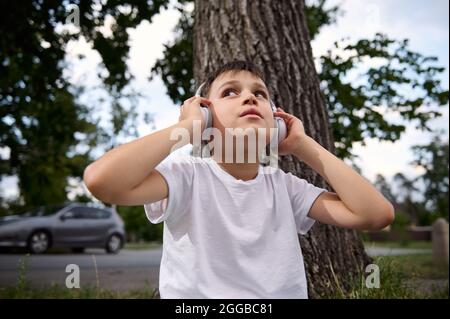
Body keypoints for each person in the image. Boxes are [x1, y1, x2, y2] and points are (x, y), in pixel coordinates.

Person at [83, 60, 394, 299]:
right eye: (230, 92)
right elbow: (102, 181)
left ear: (277, 125)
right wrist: (188, 128)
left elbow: (375, 214)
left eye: (259, 93)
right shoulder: (186, 176)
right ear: (205, 117)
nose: (249, 97)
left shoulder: (285, 187)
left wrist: (302, 144)